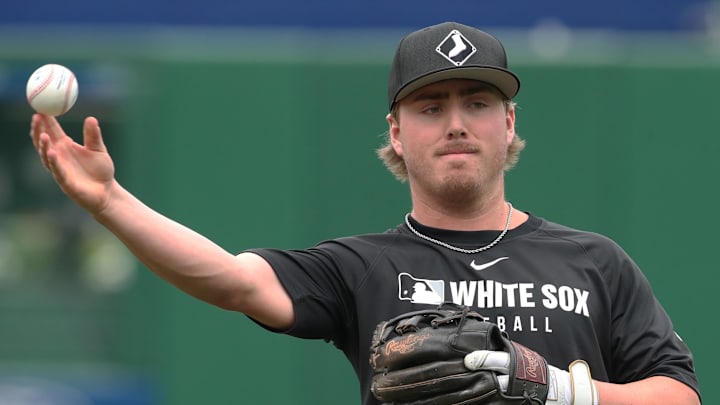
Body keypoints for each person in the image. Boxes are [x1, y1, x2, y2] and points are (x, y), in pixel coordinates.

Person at [29, 21, 700, 405]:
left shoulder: (594, 260)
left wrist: (547, 384)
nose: (457, 123)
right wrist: (109, 201)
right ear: (398, 133)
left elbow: (679, 398)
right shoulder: (363, 267)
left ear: (509, 121)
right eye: (431, 107)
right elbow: (234, 280)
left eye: (477, 103)